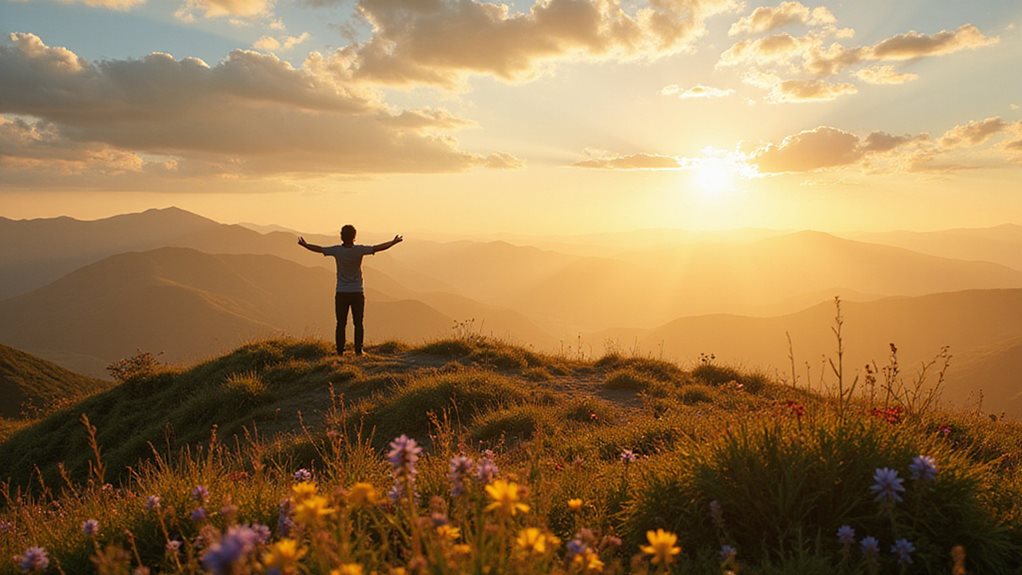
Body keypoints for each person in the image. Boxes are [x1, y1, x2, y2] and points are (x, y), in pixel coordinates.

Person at [298, 225, 403, 356]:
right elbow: (378, 247)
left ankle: (340, 351)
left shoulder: (337, 251)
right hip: (357, 292)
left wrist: (305, 245)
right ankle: (359, 350)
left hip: (341, 292)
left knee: (341, 323)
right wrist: (393, 243)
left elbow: (320, 249)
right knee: (358, 323)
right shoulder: (359, 250)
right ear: (354, 236)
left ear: (342, 236)